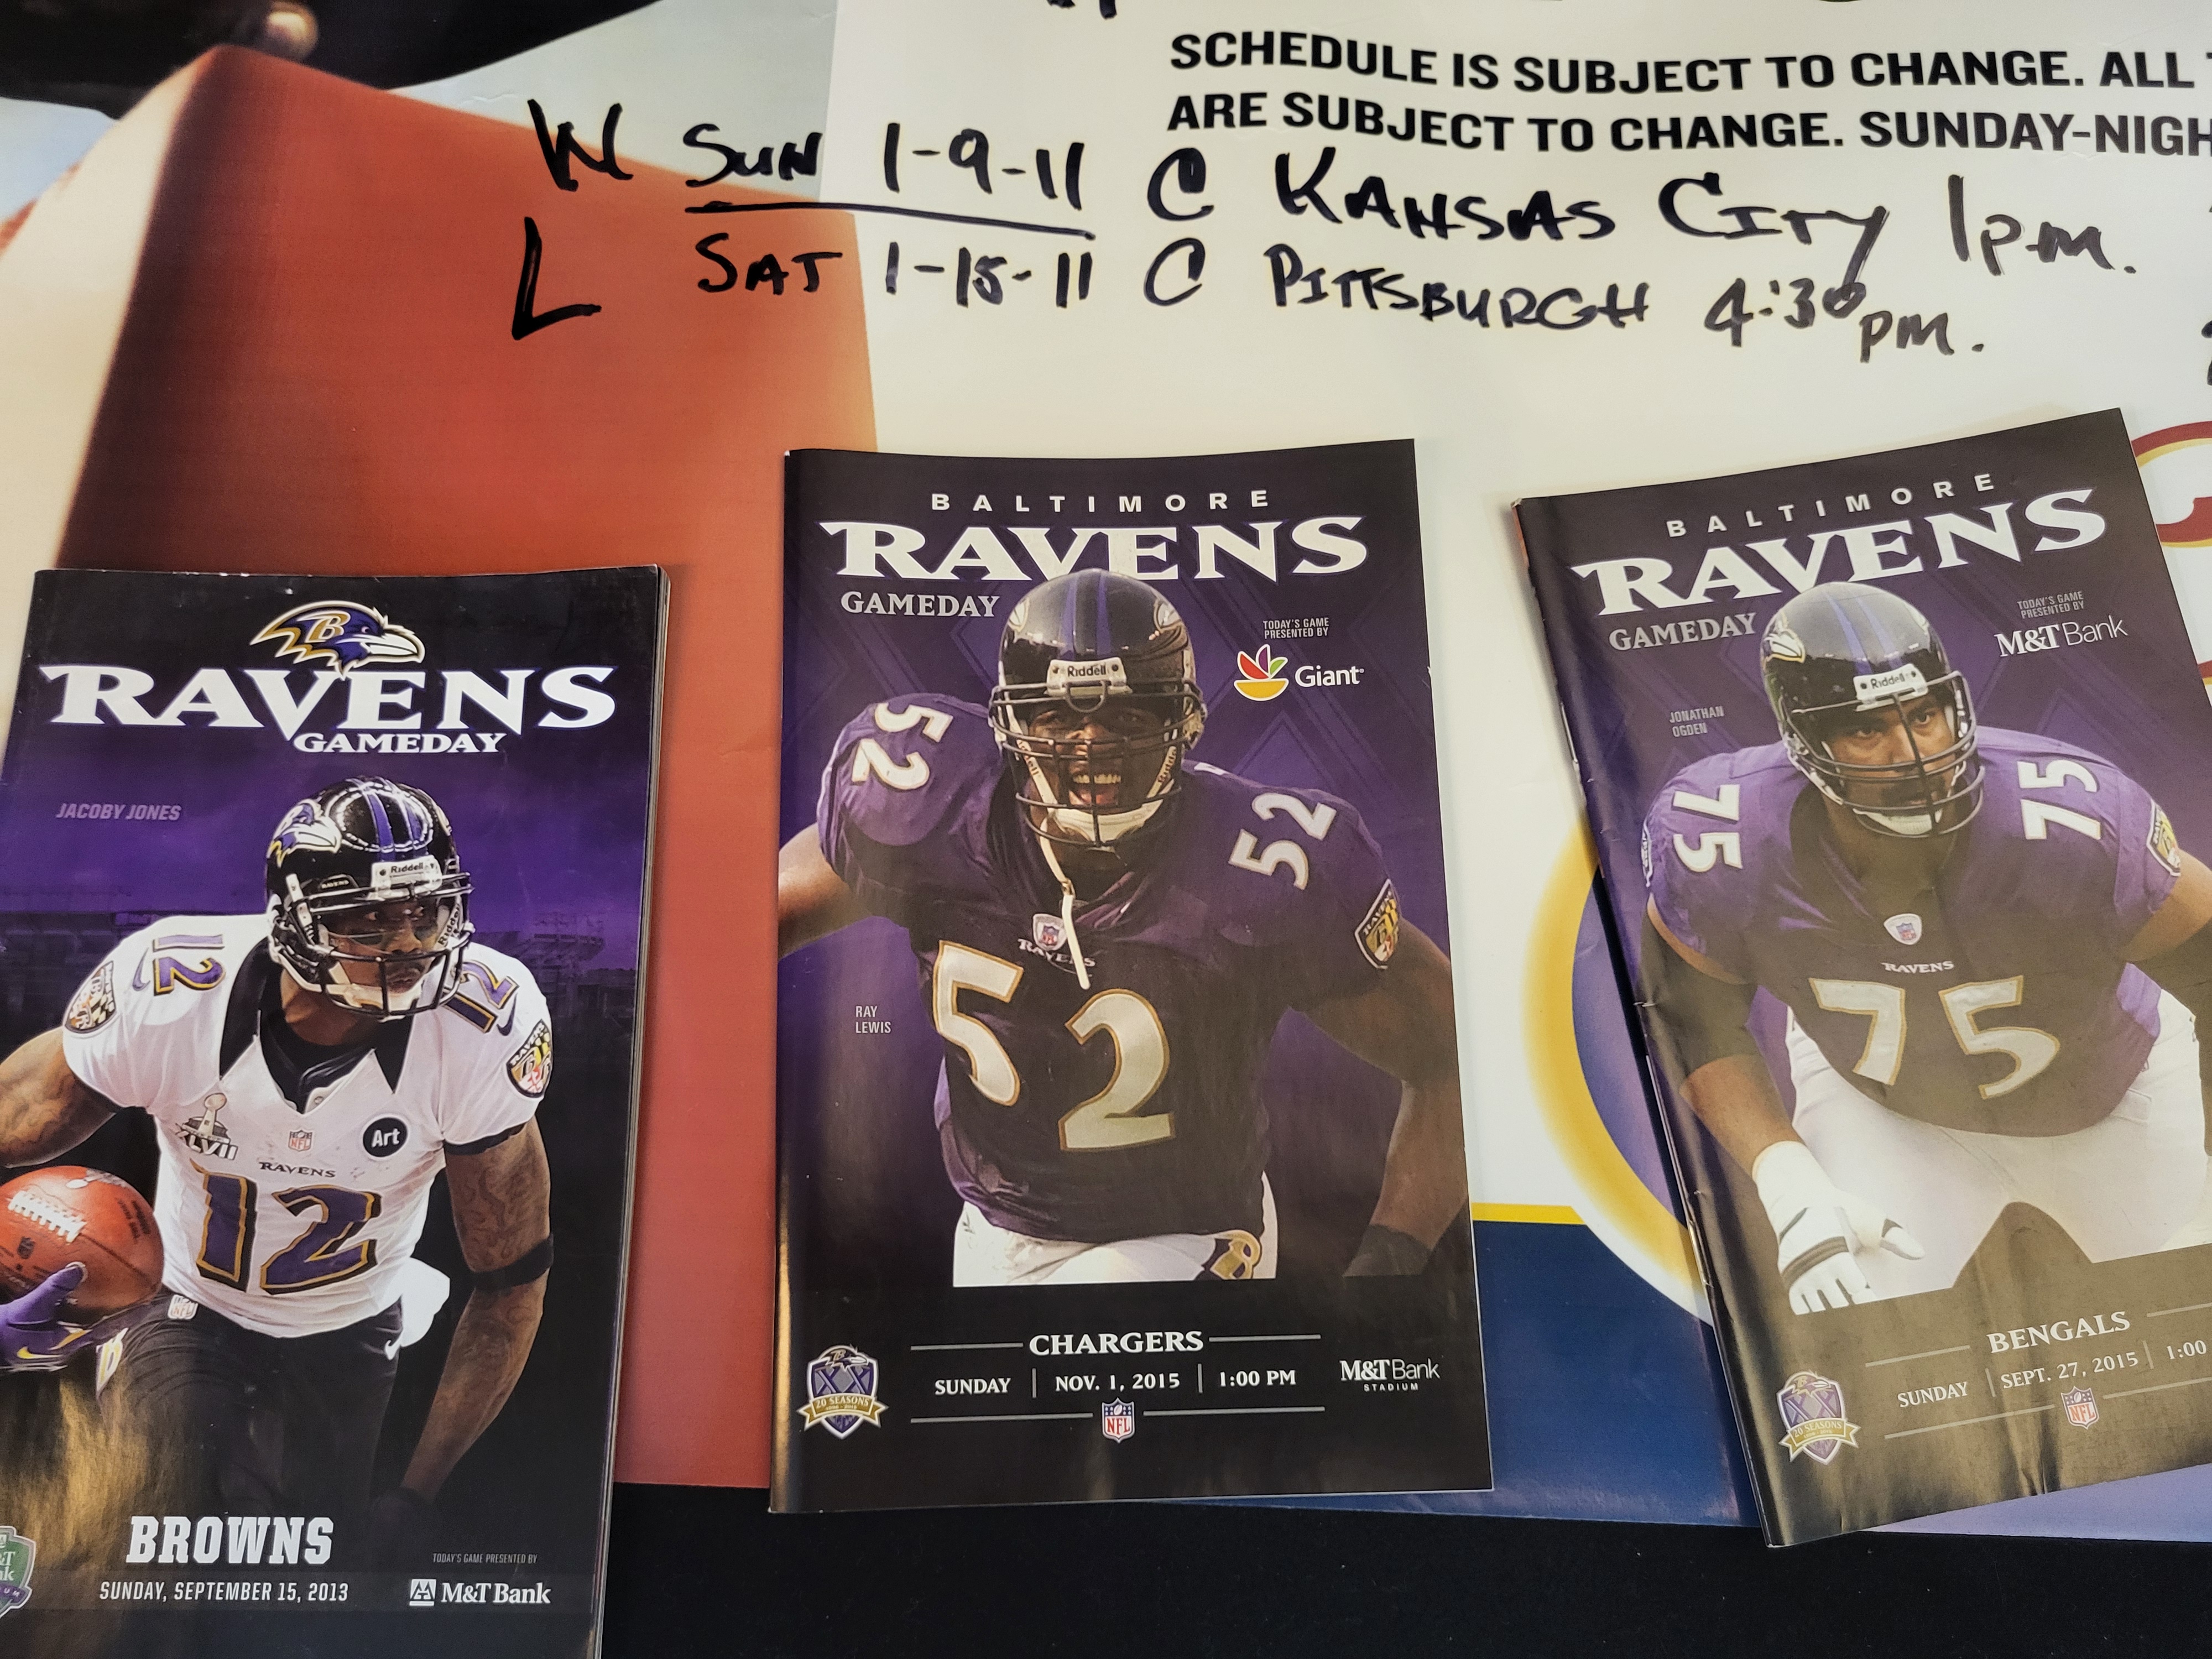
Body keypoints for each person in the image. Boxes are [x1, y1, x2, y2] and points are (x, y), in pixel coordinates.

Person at [776, 568, 1466, 1286]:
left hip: (1188, 1232)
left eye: (1130, 717)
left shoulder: (1266, 867)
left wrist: (1392, 1259)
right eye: (1058, 716)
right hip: (993, 1225)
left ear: (1183, 722)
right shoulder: (924, 806)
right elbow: (765, 914)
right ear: (1012, 724)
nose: (1092, 745)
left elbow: (1448, 1055)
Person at [0, 776, 554, 1563]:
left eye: (423, 911)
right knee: (159, 1528)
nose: (405, 943)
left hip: (353, 1320)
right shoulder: (170, 992)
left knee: (313, 1559)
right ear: (293, 919)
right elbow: (17, 1118)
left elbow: (512, 1285)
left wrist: (417, 1493)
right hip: (190, 1300)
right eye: (367, 917)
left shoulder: (481, 1028)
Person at [1639, 581, 2212, 1314]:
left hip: (2114, 1093)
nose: (1912, 754)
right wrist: (1789, 1181)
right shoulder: (1723, 837)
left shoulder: (2071, 821)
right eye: (1865, 729)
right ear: (1804, 742)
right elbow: (1690, 1016)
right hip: (1884, 1112)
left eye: (1923, 715)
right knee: (1852, 1322)